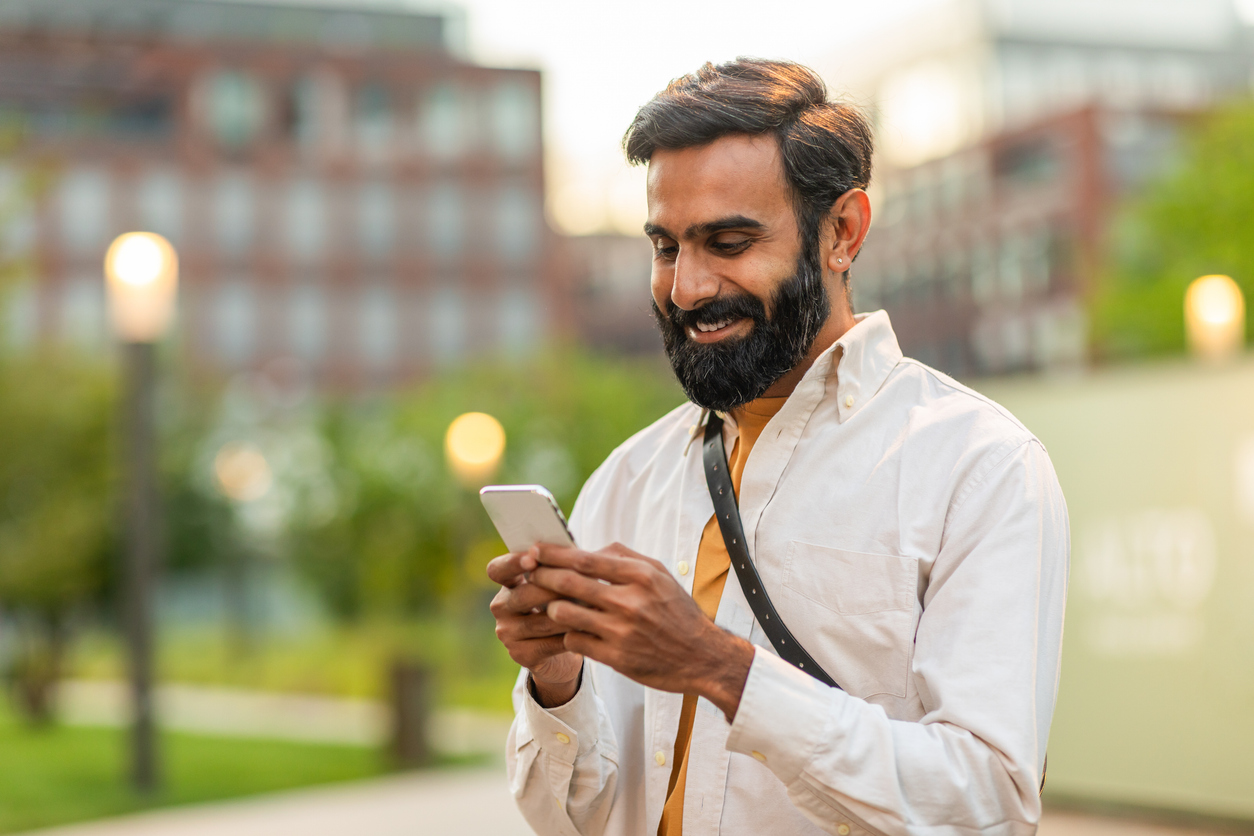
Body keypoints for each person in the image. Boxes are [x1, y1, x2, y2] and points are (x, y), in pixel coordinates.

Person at [487, 58, 1068, 836]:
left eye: (728, 242)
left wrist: (719, 669)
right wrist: (557, 679)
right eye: (666, 248)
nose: (687, 289)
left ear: (842, 232)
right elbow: (573, 818)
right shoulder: (625, 479)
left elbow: (986, 807)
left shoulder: (979, 469)